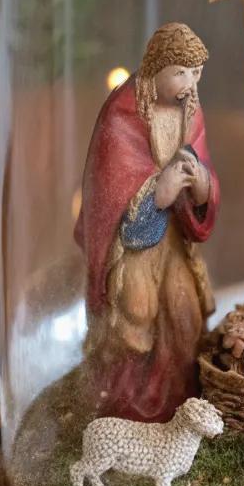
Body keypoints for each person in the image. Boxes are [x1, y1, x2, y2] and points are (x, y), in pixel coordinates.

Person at [72, 22, 219, 424]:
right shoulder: (122, 115)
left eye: (197, 73)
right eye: (181, 73)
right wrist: (158, 191)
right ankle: (127, 410)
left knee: (185, 313)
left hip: (173, 240)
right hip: (132, 244)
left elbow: (202, 167)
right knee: (135, 316)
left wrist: (201, 185)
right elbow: (109, 187)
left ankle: (178, 406)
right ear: (155, 69)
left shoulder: (191, 110)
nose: (190, 83)